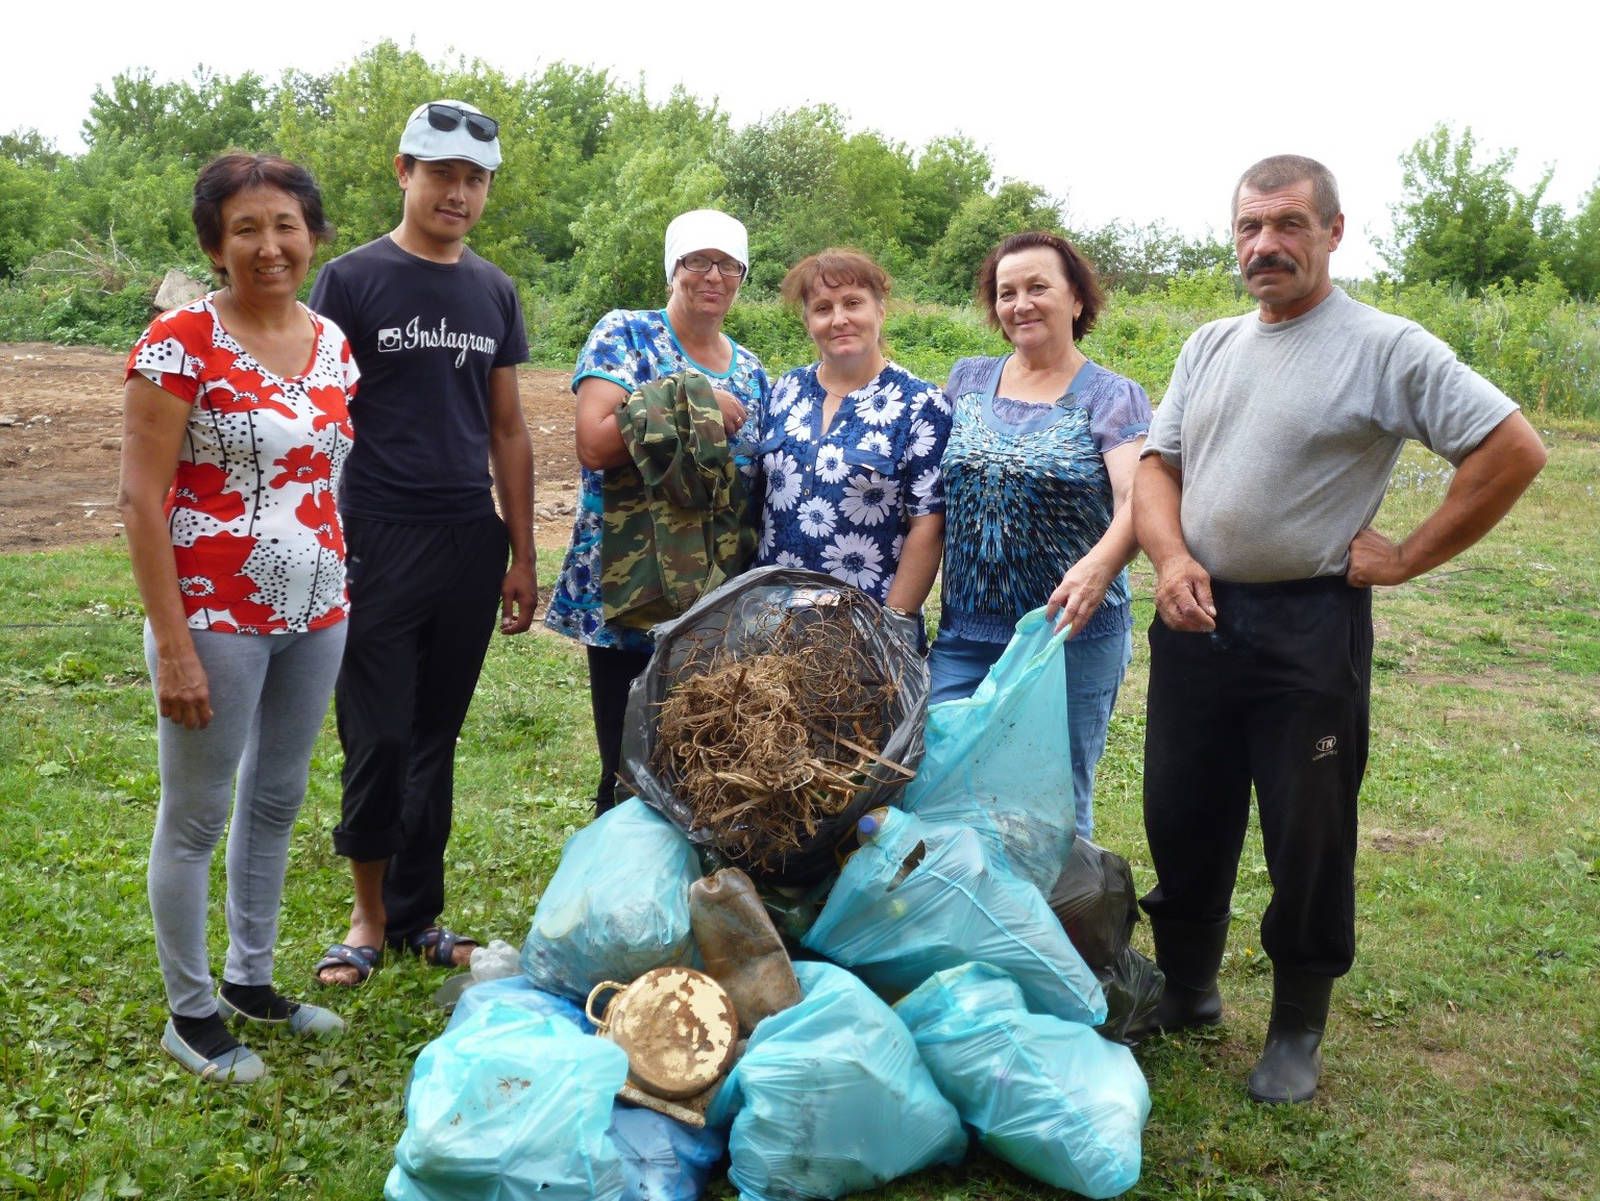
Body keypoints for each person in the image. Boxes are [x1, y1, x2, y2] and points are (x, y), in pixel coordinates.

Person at [1131, 154, 1547, 1103]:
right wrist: (1171, 559)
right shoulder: (1210, 344)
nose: (1265, 245)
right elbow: (1159, 465)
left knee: (1306, 832)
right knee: (1181, 813)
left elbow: (1511, 448)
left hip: (1306, 627)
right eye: (1249, 227)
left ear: (1333, 231)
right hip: (1195, 619)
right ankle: (1190, 989)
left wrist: (1404, 557)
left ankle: (1296, 1026)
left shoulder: (1385, 346)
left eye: (1287, 226)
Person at [119, 154, 356, 1081]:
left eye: (287, 224)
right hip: (213, 613)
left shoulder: (335, 343)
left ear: (311, 234)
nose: (270, 245)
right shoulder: (181, 343)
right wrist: (173, 645)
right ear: (215, 244)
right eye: (246, 228)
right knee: (196, 817)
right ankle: (191, 1013)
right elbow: (142, 500)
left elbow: (327, 476)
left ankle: (252, 978)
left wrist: (332, 583)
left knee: (277, 799)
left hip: (318, 605)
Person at [309, 100, 537, 987]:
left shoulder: (494, 290)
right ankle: (366, 918)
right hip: (372, 532)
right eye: (441, 172)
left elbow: (508, 428)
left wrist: (519, 551)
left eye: (474, 179)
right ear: (404, 171)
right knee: (379, 736)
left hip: (464, 542)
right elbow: (319, 411)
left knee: (435, 734)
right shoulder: (352, 280)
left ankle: (418, 917)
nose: (458, 192)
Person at [928, 231, 1152, 839]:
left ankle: (1064, 930)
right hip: (966, 633)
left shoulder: (1110, 395)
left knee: (1053, 805)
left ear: (1077, 300)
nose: (1020, 304)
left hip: (1069, 635)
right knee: (938, 783)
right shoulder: (967, 381)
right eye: (1006, 293)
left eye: (1037, 288)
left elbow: (1140, 497)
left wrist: (1100, 565)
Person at [545, 209, 768, 815]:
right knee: (626, 765)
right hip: (628, 587)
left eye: (728, 264)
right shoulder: (627, 335)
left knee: (702, 755)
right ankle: (615, 896)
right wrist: (697, 403)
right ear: (674, 268)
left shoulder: (751, 370)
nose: (713, 276)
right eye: (698, 261)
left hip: (710, 597)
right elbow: (593, 442)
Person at [750, 249, 951, 626]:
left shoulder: (920, 403)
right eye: (823, 308)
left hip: (866, 628)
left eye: (853, 303)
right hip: (772, 621)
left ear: (880, 310)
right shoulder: (784, 390)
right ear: (808, 321)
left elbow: (928, 524)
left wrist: (895, 623)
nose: (839, 319)